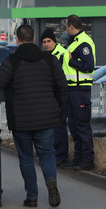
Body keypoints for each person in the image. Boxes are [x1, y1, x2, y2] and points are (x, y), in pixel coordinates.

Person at [0, 24, 67, 207]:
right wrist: (60, 112)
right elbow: (62, 87)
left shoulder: (12, 62)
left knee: (26, 157)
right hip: (46, 118)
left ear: (17, 40)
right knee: (47, 154)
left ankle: (32, 196)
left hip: (21, 120)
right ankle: (51, 180)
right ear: (34, 39)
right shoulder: (49, 60)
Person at [60, 14, 96, 171]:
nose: (65, 30)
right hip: (72, 89)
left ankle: (88, 160)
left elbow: (89, 66)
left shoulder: (84, 42)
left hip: (80, 89)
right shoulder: (74, 43)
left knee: (82, 125)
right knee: (74, 125)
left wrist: (71, 60)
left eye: (66, 26)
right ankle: (78, 157)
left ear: (71, 26)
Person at [41, 28, 69, 168]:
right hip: (49, 96)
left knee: (59, 127)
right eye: (44, 42)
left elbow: (62, 78)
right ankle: (54, 155)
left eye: (48, 41)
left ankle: (62, 156)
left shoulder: (62, 54)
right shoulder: (44, 56)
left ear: (54, 41)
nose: (46, 44)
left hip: (59, 95)